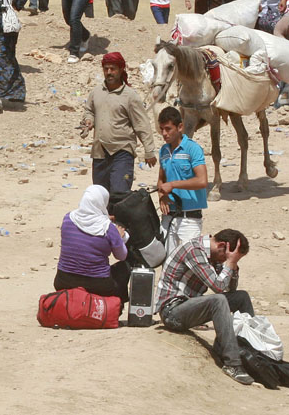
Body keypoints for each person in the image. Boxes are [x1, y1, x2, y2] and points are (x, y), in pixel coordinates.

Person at [156, 229, 255, 385]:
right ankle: (233, 364)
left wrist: (233, 266)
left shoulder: (213, 255)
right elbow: (218, 286)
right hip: (172, 311)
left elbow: (231, 289)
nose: (224, 261)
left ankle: (251, 352)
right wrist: (229, 263)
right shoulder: (194, 250)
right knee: (218, 300)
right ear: (222, 246)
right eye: (226, 256)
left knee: (241, 297)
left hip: (190, 306)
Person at [80, 53, 156, 192]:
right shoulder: (96, 93)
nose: (109, 72)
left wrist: (149, 151)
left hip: (122, 152)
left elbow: (142, 124)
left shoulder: (130, 96)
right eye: (106, 69)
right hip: (99, 152)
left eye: (113, 69)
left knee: (119, 194)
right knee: (100, 196)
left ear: (121, 70)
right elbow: (89, 110)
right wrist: (88, 120)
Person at [54, 185, 130, 306]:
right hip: (97, 285)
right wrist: (119, 237)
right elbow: (121, 256)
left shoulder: (68, 219)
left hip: (63, 281)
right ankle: (117, 307)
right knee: (124, 268)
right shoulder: (108, 228)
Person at [156, 106, 209, 255]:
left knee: (189, 263)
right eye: (162, 129)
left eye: (168, 129)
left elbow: (202, 180)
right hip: (169, 218)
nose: (164, 134)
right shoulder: (163, 151)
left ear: (180, 127)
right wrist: (162, 197)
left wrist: (172, 185)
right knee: (167, 263)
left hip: (189, 218)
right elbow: (161, 180)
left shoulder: (192, 149)